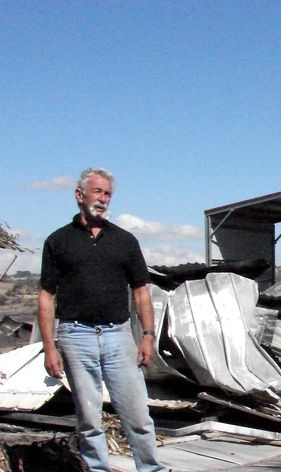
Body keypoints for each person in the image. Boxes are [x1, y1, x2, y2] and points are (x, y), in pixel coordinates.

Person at [38, 167, 167, 472]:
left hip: (118, 336)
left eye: (108, 193)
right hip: (75, 335)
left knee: (137, 415)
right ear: (79, 195)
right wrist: (49, 346)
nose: (104, 199)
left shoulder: (125, 240)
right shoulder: (58, 241)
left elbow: (141, 292)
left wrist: (148, 336)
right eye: (98, 191)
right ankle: (97, 469)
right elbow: (46, 296)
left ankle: (151, 469)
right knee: (88, 418)